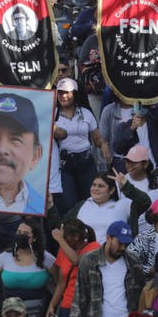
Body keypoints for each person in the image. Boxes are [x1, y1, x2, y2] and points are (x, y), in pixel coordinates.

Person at [52, 77, 109, 215]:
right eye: (59, 93)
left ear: (75, 94)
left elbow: (96, 137)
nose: (63, 96)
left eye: (67, 92)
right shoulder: (52, 114)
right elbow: (59, 135)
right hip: (64, 164)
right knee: (68, 204)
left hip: (86, 161)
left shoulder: (86, 113)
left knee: (89, 201)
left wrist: (103, 145)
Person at [70, 172, 153, 243]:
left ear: (112, 190)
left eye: (101, 186)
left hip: (115, 256)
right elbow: (63, 224)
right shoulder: (82, 205)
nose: (95, 189)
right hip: (83, 257)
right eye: (94, 185)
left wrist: (126, 186)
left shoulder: (124, 205)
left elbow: (145, 202)